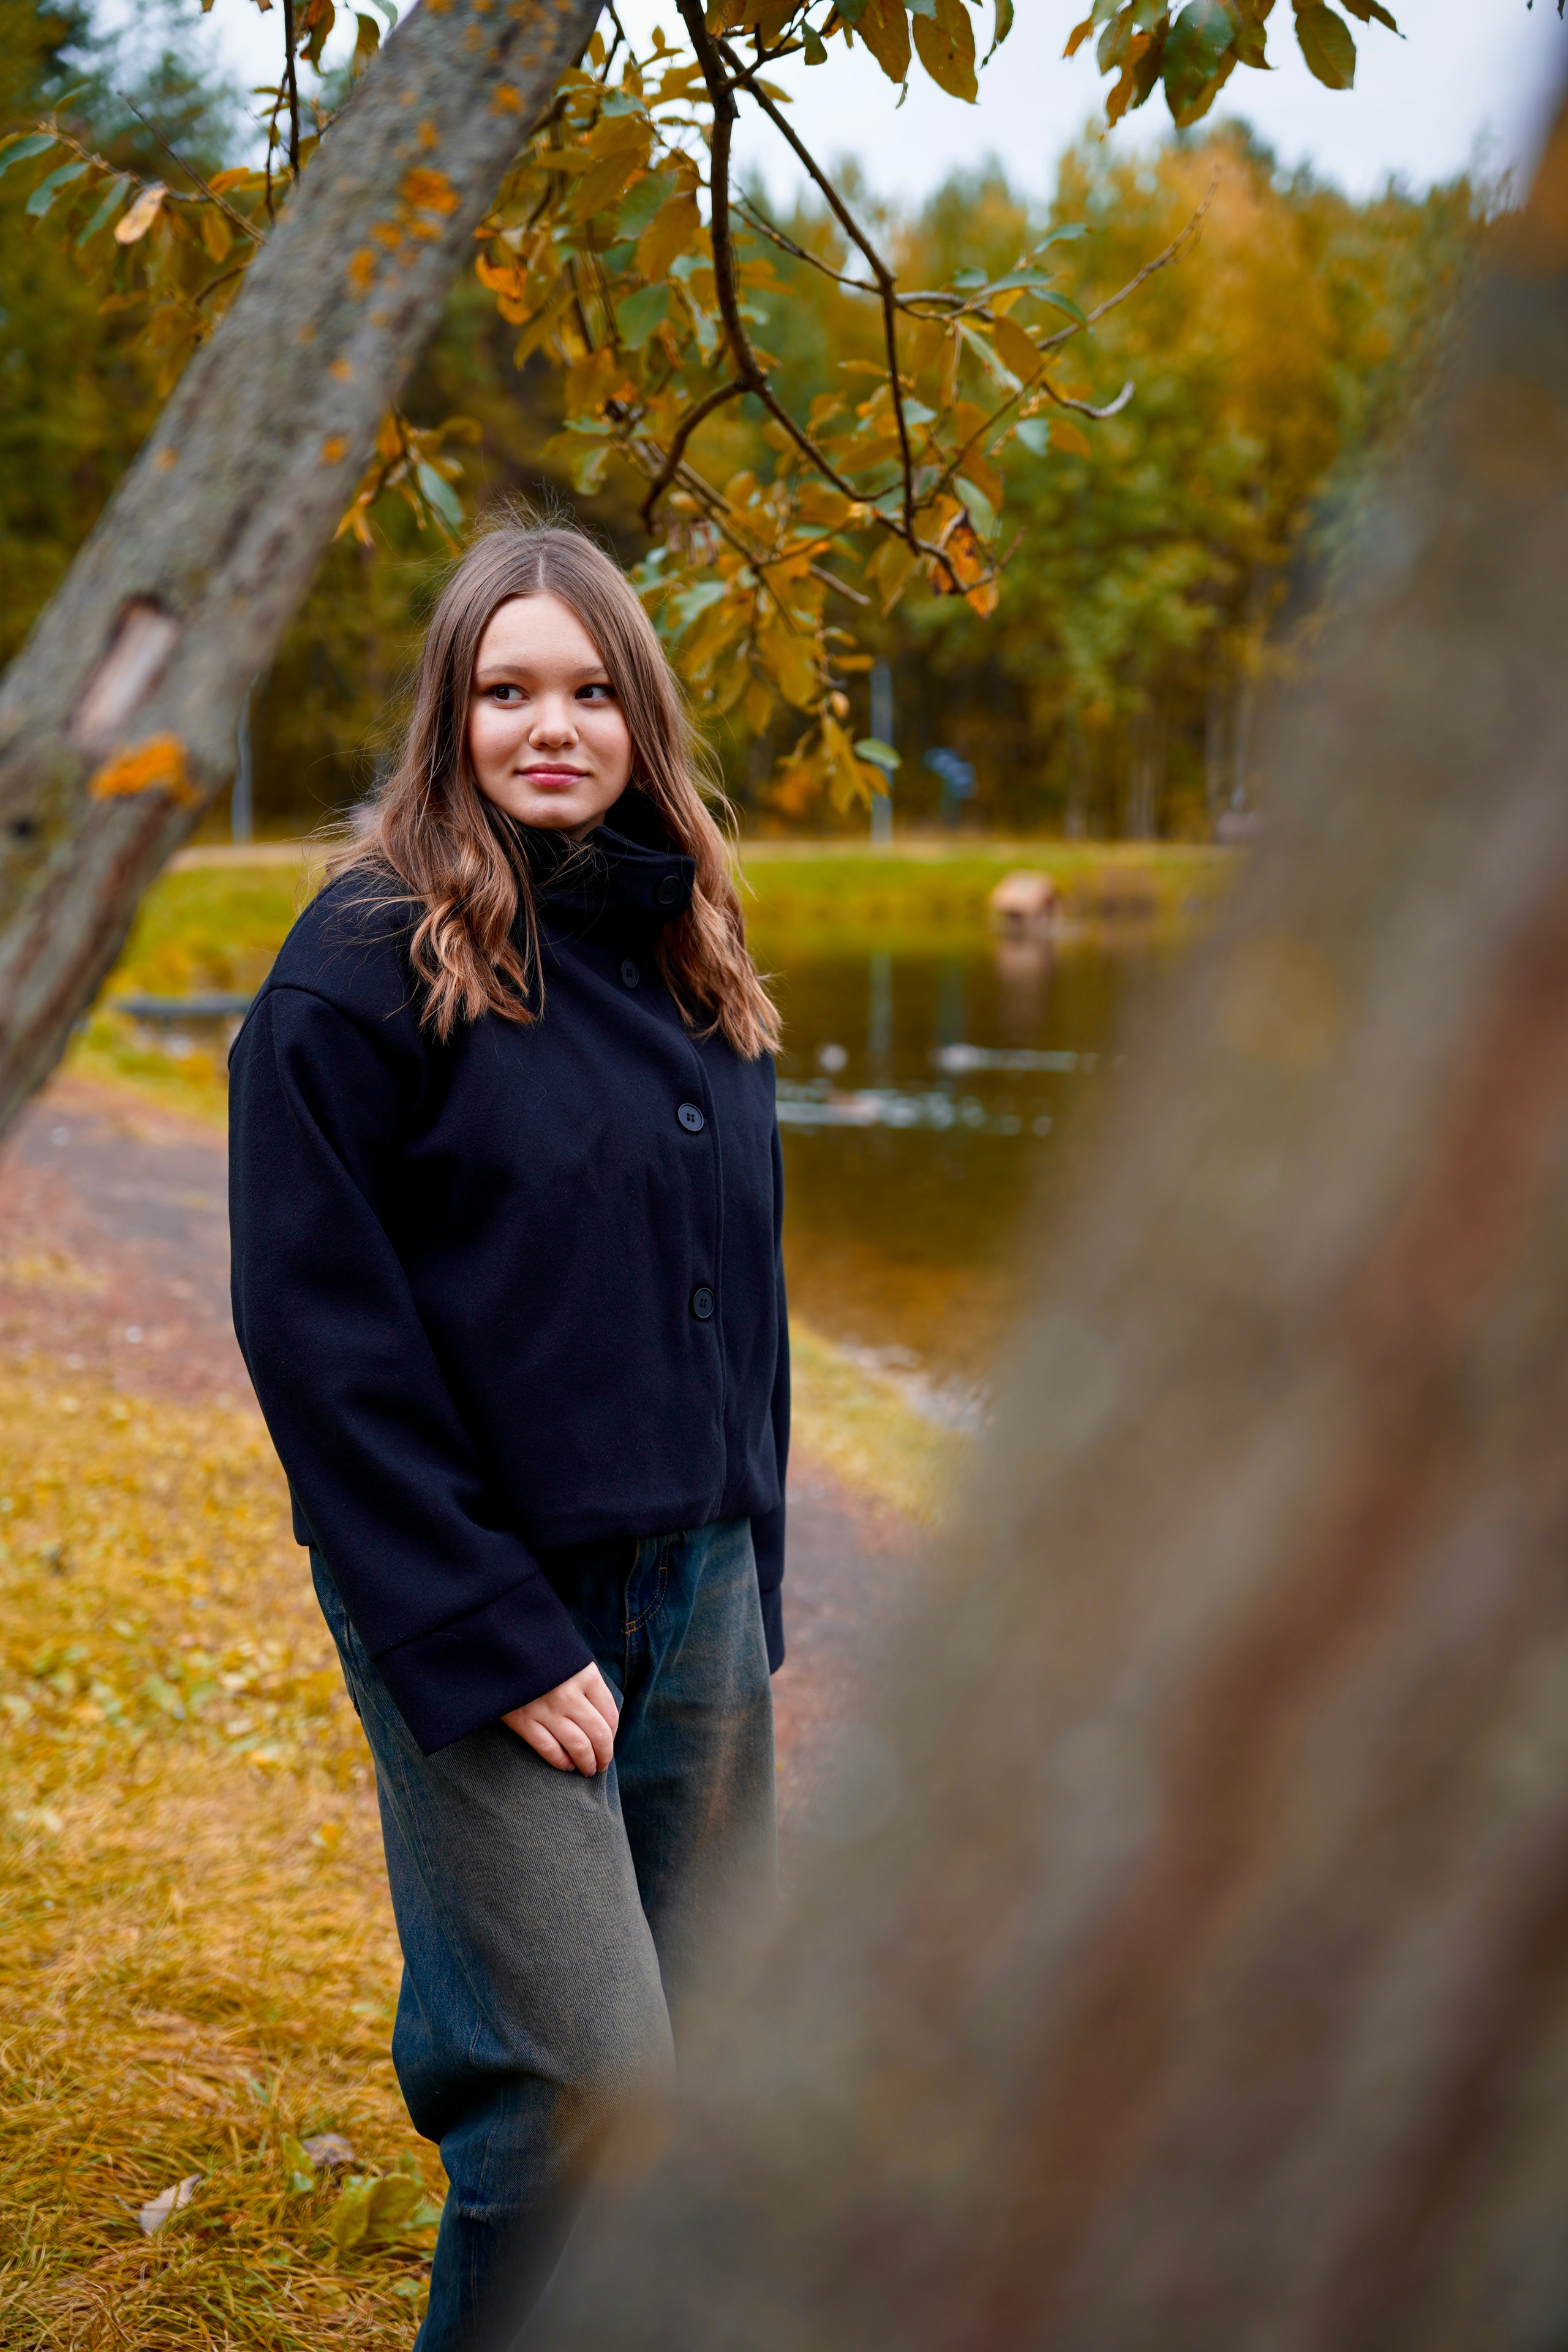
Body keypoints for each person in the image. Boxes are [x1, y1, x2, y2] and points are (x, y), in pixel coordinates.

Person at [228, 520, 788, 2350]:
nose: (551, 727)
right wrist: (486, 1632)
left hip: (692, 1591)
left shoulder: (688, 944)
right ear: (447, 712)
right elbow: (321, 1340)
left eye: (587, 690)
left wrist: (749, 1585)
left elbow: (738, 1301)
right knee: (575, 2104)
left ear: (640, 713)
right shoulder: (366, 958)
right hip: (486, 1605)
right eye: (505, 690)